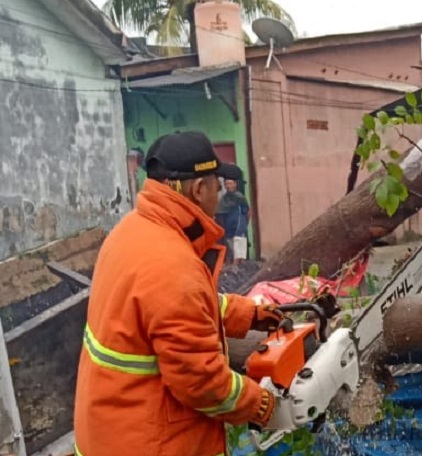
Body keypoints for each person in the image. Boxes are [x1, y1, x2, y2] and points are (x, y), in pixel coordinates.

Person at [73, 132, 283, 456]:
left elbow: (175, 309)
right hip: (149, 442)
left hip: (109, 429)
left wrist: (249, 314)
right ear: (199, 189)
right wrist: (264, 404)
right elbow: (204, 384)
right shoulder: (173, 267)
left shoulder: (132, 231)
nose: (218, 191)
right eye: (215, 184)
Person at [216, 166, 250, 265]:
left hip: (239, 224)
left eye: (230, 183)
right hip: (228, 226)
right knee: (231, 245)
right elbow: (219, 212)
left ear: (235, 184)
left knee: (239, 244)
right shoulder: (224, 199)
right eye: (226, 184)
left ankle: (238, 265)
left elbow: (247, 211)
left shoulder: (239, 197)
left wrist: (245, 224)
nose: (228, 186)